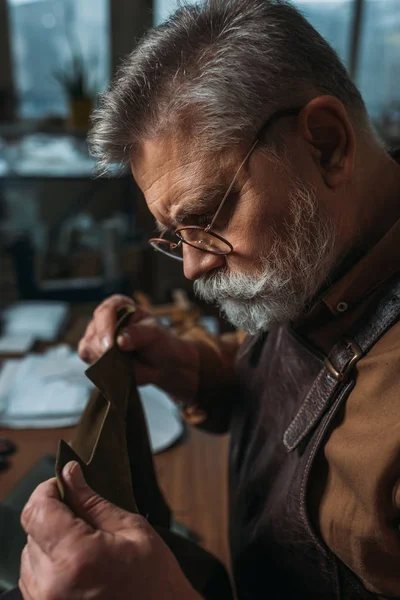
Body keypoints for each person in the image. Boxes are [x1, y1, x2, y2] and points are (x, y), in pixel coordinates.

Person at [17, 0, 400, 598]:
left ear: (326, 144)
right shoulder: (321, 249)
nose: (193, 267)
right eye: (176, 236)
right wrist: (193, 369)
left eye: (205, 216)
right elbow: (297, 379)